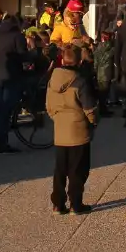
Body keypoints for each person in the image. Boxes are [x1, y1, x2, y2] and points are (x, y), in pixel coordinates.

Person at [46, 44, 96, 215]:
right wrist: (93, 121)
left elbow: (49, 106)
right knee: (78, 169)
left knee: (60, 169)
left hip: (60, 129)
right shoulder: (80, 80)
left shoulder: (53, 79)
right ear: (79, 61)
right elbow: (89, 108)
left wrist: (57, 118)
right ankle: (76, 203)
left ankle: (57, 204)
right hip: (78, 130)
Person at [0, 14, 28, 154]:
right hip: (11, 77)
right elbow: (23, 56)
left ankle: (1, 136)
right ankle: (1, 143)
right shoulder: (17, 36)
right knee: (6, 111)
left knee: (0, 109)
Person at [94, 31, 116, 116]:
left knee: (102, 93)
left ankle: (102, 109)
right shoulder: (111, 48)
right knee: (105, 93)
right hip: (107, 72)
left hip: (99, 72)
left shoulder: (98, 48)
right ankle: (103, 111)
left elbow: (95, 62)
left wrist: (95, 71)